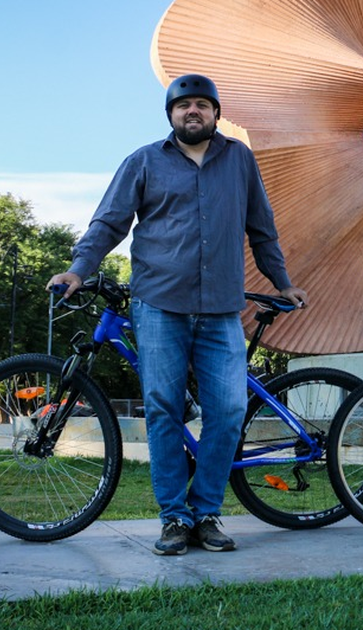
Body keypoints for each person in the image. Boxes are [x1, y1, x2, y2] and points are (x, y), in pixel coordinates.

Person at [48, 73, 308, 555]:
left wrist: (282, 282)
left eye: (202, 105)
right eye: (183, 105)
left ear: (215, 113)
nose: (193, 111)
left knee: (228, 411)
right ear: (171, 114)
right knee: (165, 409)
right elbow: (109, 222)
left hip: (221, 309)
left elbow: (262, 230)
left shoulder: (240, 160)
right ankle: (173, 517)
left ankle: (206, 512)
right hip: (160, 305)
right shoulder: (144, 161)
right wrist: (79, 269)